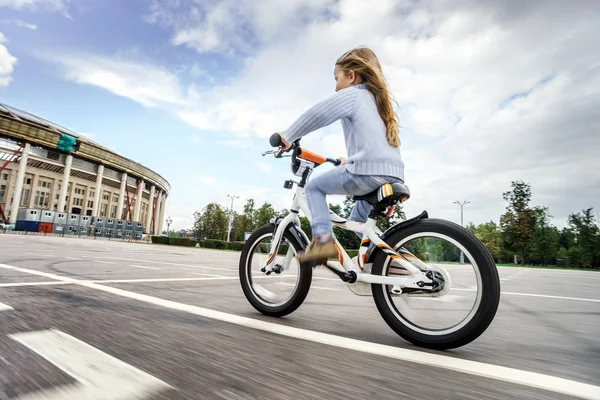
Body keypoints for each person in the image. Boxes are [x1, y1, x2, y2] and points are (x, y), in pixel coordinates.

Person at [278, 46, 405, 262]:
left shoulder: (355, 94)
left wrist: (287, 136)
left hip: (367, 173)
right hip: (392, 174)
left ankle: (323, 241)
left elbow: (319, 113)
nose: (336, 87)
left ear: (351, 76)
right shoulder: (380, 103)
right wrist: (350, 160)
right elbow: (373, 144)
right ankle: (396, 263)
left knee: (313, 188)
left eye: (336, 79)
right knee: (359, 221)